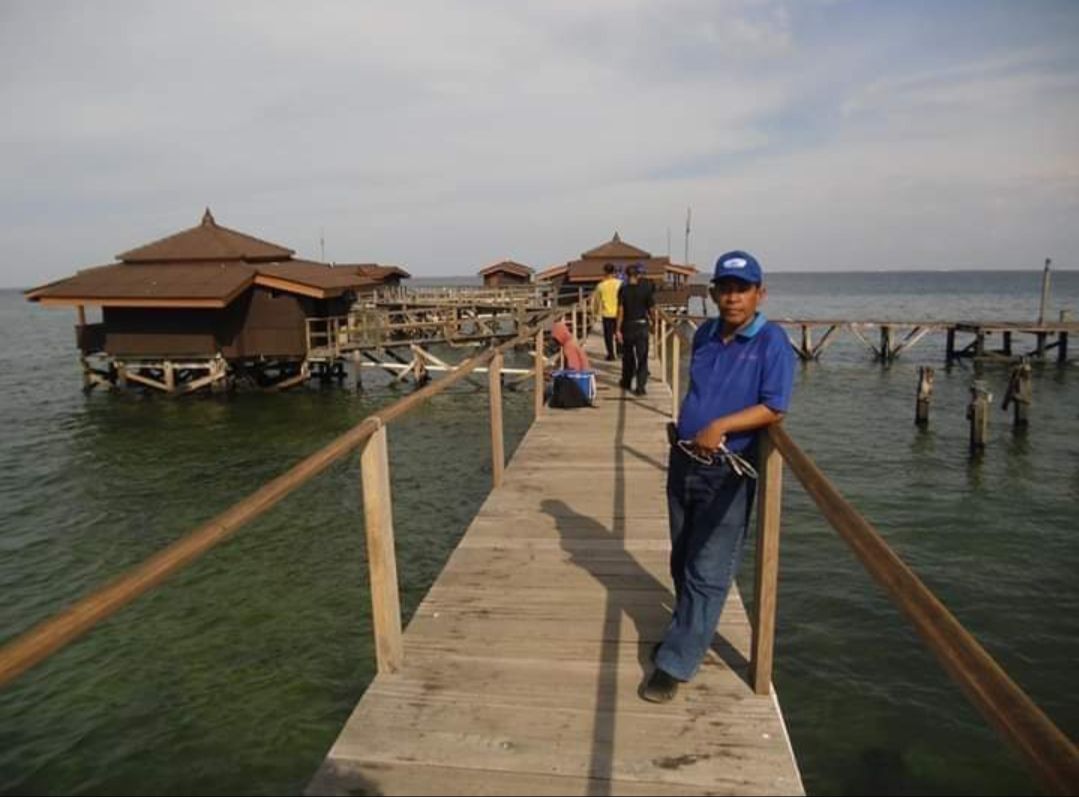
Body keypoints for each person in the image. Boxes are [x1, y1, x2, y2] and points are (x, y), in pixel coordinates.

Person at [642, 250, 795, 703]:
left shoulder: (773, 342)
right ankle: (682, 635)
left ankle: (675, 663)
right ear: (713, 294)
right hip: (684, 460)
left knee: (708, 570)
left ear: (759, 294)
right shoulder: (706, 333)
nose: (732, 298)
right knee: (682, 556)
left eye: (742, 290)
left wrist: (721, 426)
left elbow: (775, 405)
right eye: (725, 289)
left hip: (727, 471)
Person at [615, 263, 654, 396]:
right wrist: (654, 323)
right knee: (642, 357)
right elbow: (651, 309)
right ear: (638, 275)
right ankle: (640, 387)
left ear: (626, 275)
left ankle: (626, 381)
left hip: (628, 326)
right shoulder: (646, 290)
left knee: (628, 356)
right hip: (642, 325)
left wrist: (618, 329)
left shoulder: (623, 290)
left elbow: (620, 311)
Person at [592, 264, 623, 361]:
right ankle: (620, 352)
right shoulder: (620, 283)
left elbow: (596, 301)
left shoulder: (600, 286)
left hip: (607, 313)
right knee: (619, 332)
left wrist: (595, 312)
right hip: (619, 312)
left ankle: (611, 354)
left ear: (604, 272)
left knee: (608, 336)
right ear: (614, 272)